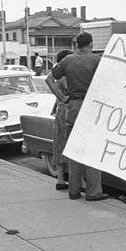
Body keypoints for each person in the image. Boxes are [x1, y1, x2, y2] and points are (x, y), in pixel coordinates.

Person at [51, 33, 107, 201]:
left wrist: (61, 97)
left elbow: (49, 79)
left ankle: (74, 190)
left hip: (72, 108)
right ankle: (93, 191)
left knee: (75, 149)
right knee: (92, 151)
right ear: (90, 43)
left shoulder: (67, 60)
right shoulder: (96, 60)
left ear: (77, 44)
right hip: (91, 107)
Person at [45, 49, 73, 191]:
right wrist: (63, 98)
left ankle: (60, 179)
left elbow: (56, 93)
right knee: (71, 144)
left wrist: (59, 99)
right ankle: (78, 180)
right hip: (69, 110)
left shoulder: (58, 76)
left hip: (60, 111)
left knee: (59, 144)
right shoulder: (67, 75)